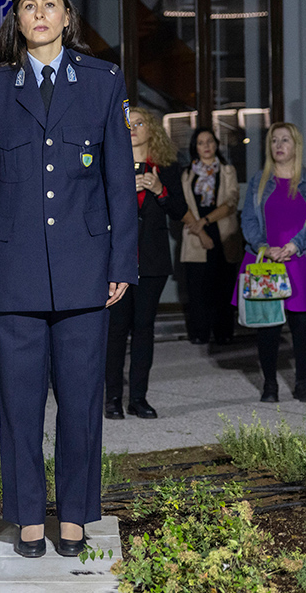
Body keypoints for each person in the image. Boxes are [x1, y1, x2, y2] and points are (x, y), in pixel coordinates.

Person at [0, 0, 137, 559]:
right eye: (28, 5)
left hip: (86, 269)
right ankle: (28, 518)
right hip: (12, 274)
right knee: (19, 404)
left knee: (83, 401)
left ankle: (76, 517)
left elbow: (120, 182)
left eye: (49, 4)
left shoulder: (103, 81)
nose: (39, 15)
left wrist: (123, 262)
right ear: (18, 18)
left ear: (68, 15)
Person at [234, 123, 306, 403]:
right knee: (268, 327)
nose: (279, 145)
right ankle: (270, 385)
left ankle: (303, 384)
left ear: (296, 145)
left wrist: (293, 245)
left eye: (285, 140)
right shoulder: (259, 181)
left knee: (303, 327)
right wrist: (264, 247)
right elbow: (248, 220)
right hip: (267, 261)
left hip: (301, 261)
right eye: (274, 140)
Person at [104, 106, 185, 421]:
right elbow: (96, 207)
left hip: (152, 261)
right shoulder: (111, 162)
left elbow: (178, 209)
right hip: (117, 260)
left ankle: (138, 398)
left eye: (139, 122)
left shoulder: (167, 167)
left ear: (151, 129)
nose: (134, 127)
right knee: (115, 330)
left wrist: (159, 190)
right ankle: (112, 399)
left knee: (144, 329)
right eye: (128, 123)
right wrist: (124, 191)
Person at [179, 127, 239, 345]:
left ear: (216, 145)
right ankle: (199, 333)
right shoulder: (187, 174)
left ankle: (224, 332)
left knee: (223, 288)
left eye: (210, 142)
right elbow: (182, 206)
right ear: (195, 147)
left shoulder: (228, 171)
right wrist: (200, 229)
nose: (206, 146)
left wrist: (206, 222)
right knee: (198, 289)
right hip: (195, 233)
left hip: (223, 233)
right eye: (201, 142)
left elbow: (231, 202)